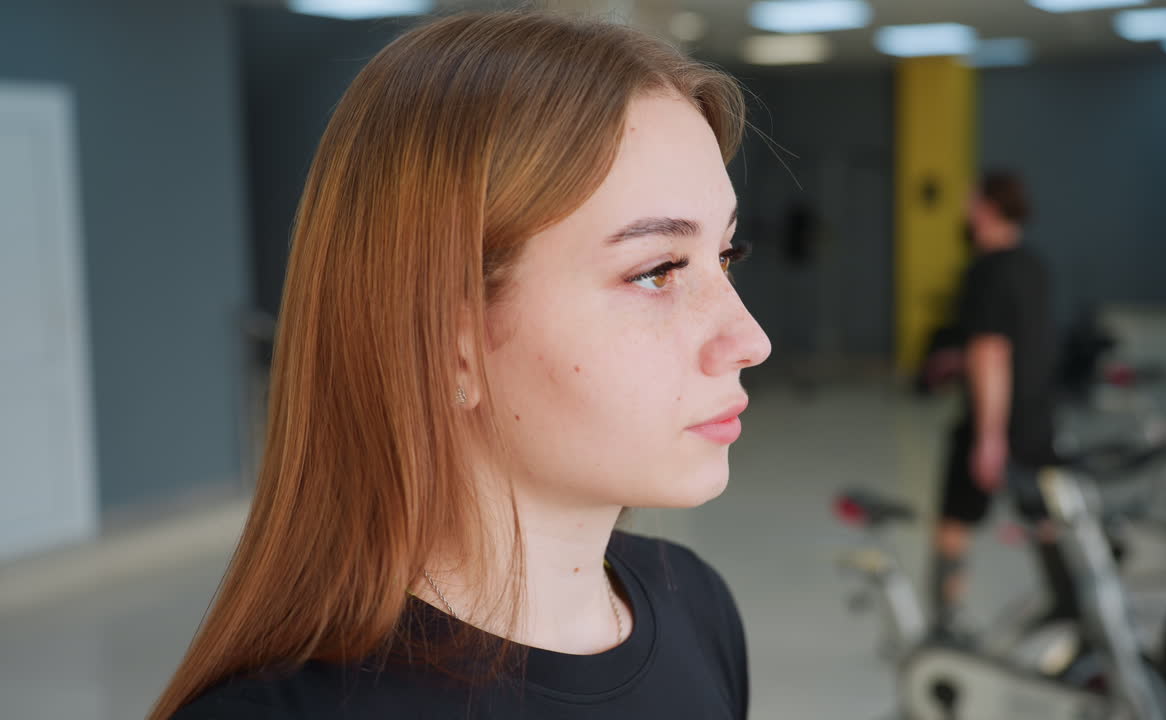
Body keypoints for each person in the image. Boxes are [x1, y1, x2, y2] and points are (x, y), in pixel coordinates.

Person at [150, 11, 770, 719]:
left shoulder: (698, 605)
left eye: (725, 256)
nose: (749, 339)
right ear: (449, 341)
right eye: (658, 270)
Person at [931, 171, 1065, 633]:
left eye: (971, 200)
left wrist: (989, 436)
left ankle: (946, 621)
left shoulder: (985, 269)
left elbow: (991, 350)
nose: (966, 209)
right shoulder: (1035, 265)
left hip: (993, 418)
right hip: (1037, 415)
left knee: (954, 518)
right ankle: (1069, 603)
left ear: (986, 208)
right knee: (1043, 514)